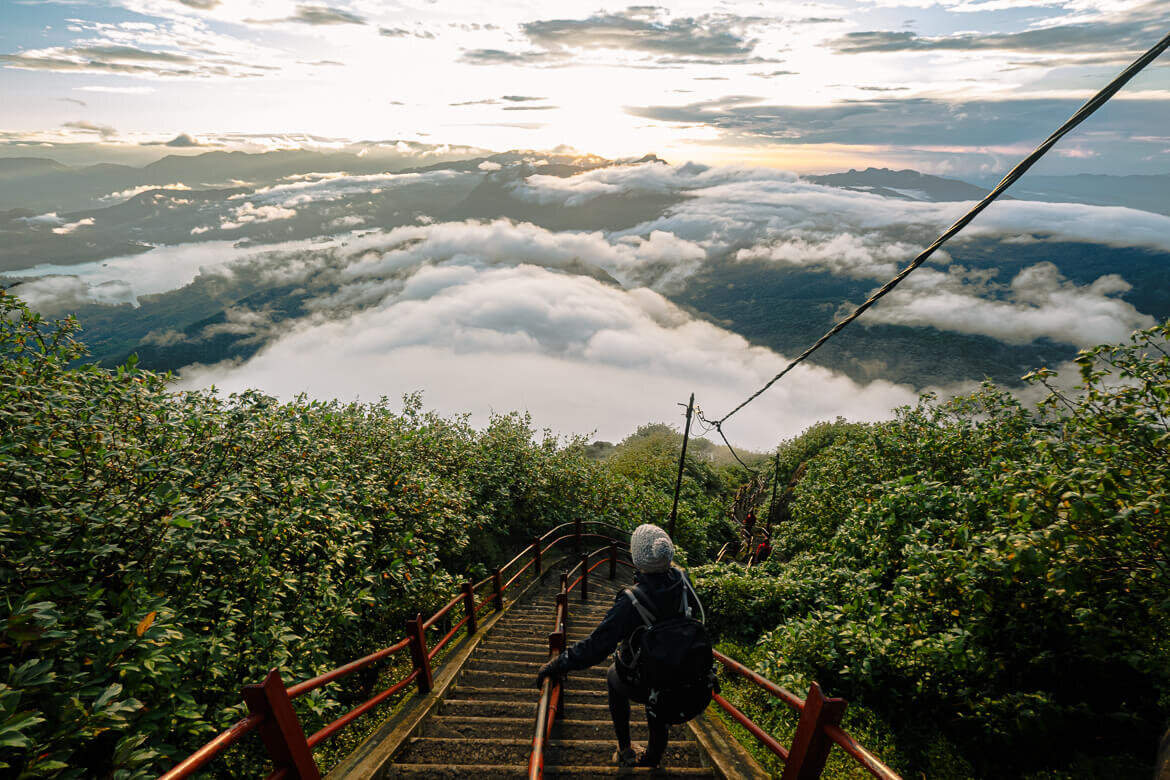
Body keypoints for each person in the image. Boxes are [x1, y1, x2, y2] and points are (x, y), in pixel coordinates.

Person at [536, 523, 698, 768]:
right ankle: (652, 759)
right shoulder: (683, 583)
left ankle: (625, 747)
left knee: (615, 675)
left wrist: (558, 664)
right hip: (684, 676)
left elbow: (597, 646)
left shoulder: (632, 600)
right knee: (660, 703)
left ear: (637, 557)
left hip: (650, 679)